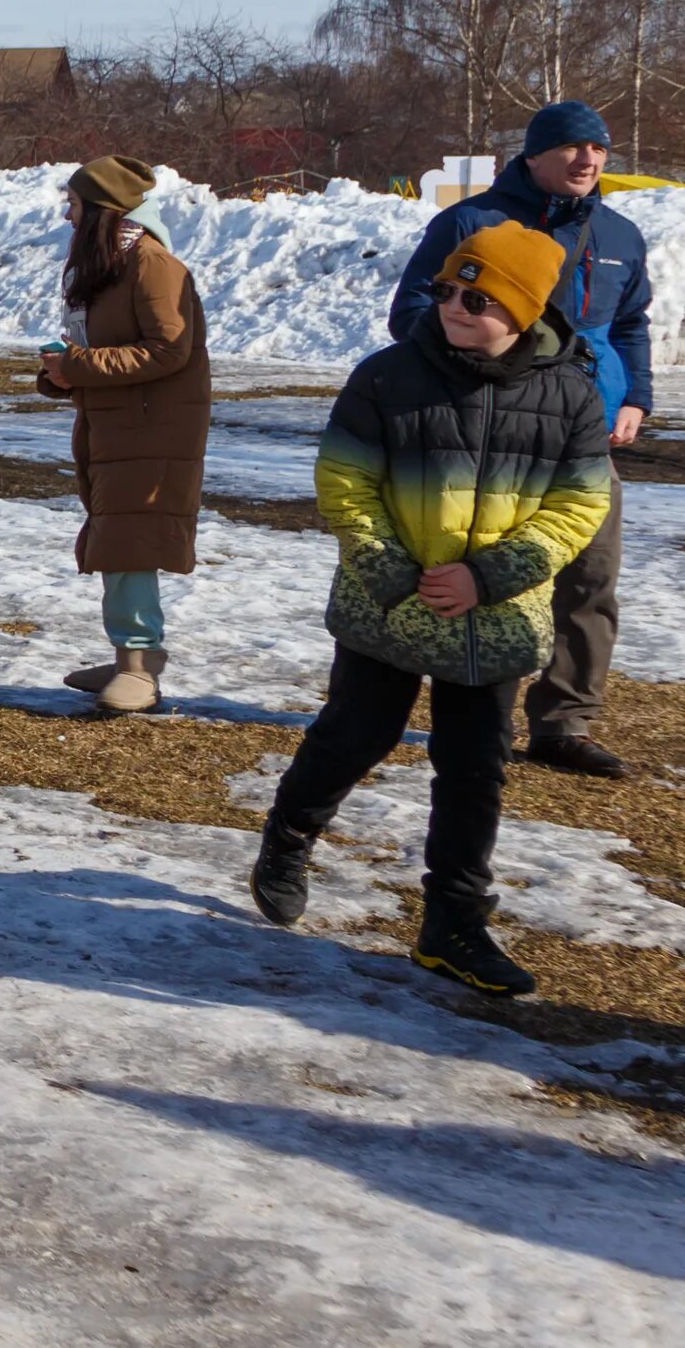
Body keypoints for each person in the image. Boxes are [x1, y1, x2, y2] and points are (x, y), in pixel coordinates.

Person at [252, 220, 614, 996]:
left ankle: (453, 925)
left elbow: (579, 507)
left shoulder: (573, 396)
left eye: (478, 296)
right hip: (390, 601)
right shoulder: (386, 377)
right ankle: (288, 835)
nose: (454, 304)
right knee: (356, 734)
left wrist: (489, 577)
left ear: (523, 309)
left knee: (474, 767)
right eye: (449, 288)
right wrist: (393, 574)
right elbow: (345, 482)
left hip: (498, 613)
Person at [388, 100, 652, 780]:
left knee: (591, 576)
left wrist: (636, 398)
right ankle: (480, 715)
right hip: (494, 430)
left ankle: (566, 720)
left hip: (587, 431)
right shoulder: (473, 223)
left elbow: (630, 325)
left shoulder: (619, 234)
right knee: (493, 574)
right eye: (570, 147)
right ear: (533, 155)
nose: (587, 160)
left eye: (598, 148)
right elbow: (415, 312)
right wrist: (487, 378)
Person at [39, 156, 211, 716]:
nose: (68, 214)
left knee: (132, 545)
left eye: (76, 204)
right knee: (117, 541)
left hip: (151, 431)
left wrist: (82, 366)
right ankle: (126, 660)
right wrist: (62, 371)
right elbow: (104, 344)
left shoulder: (153, 265)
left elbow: (170, 349)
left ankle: (140, 666)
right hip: (117, 427)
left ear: (103, 212)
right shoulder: (110, 265)